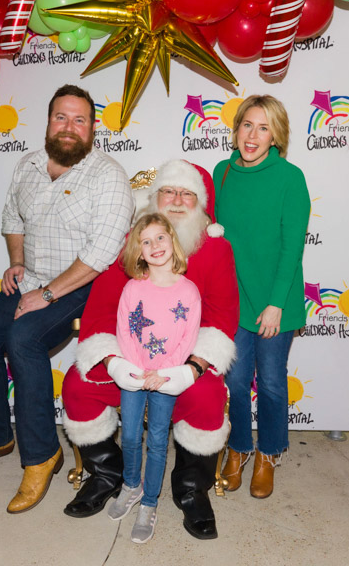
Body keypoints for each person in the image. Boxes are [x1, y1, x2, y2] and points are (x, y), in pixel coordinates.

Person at [0, 84, 134, 514]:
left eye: (80, 120)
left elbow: (102, 251)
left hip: (83, 284)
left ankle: (41, 455)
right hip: (31, 277)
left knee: (24, 340)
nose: (69, 127)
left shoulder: (107, 174)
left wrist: (48, 294)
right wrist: (16, 262)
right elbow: (12, 216)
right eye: (61, 117)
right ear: (49, 121)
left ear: (93, 128)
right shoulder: (28, 164)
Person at [61, 159, 239, 540]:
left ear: (202, 205)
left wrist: (191, 369)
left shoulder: (217, 251)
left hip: (183, 362)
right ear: (154, 198)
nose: (176, 200)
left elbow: (222, 320)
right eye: (168, 191)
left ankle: (191, 489)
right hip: (131, 359)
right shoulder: (130, 246)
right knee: (78, 386)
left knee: (208, 396)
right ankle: (108, 474)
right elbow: (101, 312)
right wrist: (112, 362)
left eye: (187, 193)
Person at [214, 95, 310, 499]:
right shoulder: (221, 172)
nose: (252, 136)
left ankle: (269, 453)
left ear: (276, 136)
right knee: (235, 380)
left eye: (263, 128)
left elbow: (292, 248)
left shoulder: (290, 177)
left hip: (276, 300)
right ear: (236, 130)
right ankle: (237, 450)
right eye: (247, 125)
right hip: (234, 301)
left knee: (270, 383)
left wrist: (274, 304)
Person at [107, 213, 201, 543]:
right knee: (130, 435)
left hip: (165, 379)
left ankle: (149, 503)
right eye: (146, 242)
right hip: (134, 375)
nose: (154, 246)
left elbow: (187, 338)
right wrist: (136, 369)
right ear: (139, 252)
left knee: (159, 440)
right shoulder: (133, 288)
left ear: (172, 242)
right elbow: (124, 330)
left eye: (160, 238)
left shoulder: (188, 291)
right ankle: (132, 486)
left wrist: (163, 373)